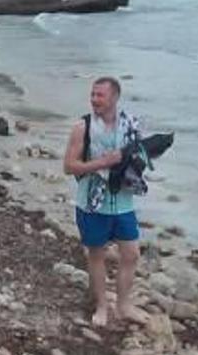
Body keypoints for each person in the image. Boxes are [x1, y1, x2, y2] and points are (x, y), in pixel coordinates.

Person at [62, 76, 149, 327]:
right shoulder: (83, 127)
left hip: (123, 202)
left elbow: (140, 155)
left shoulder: (130, 125)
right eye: (92, 94)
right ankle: (102, 306)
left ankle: (123, 306)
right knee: (96, 255)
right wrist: (103, 162)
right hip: (92, 203)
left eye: (100, 95)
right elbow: (69, 166)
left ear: (115, 98)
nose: (94, 100)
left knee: (131, 254)